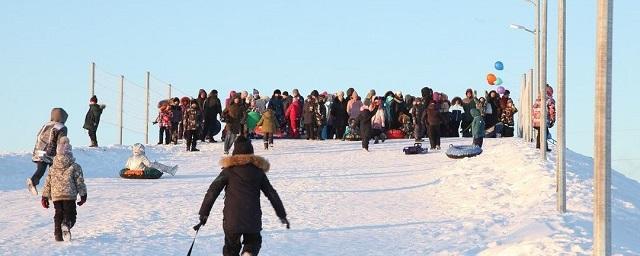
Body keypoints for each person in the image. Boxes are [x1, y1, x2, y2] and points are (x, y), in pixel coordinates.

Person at [197, 136, 289, 255]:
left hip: (232, 218)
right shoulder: (258, 172)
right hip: (252, 217)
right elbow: (272, 194)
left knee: (231, 248)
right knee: (253, 242)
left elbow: (212, 192)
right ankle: (248, 252)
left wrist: (204, 213)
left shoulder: (228, 171)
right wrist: (281, 214)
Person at [40, 136, 87, 241]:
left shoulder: (52, 167)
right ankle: (66, 224)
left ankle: (58, 234)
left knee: (58, 213)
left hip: (56, 196)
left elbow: (48, 182)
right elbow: (79, 182)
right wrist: (83, 195)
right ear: (70, 152)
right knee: (71, 215)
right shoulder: (75, 166)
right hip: (69, 195)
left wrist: (44, 196)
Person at [27, 108, 69, 195]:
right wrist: (62, 154)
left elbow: (39, 135)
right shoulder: (62, 127)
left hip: (39, 150)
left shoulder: (46, 125)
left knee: (41, 169)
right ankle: (53, 190)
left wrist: (37, 149)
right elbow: (61, 141)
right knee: (54, 171)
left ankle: (33, 181)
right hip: (51, 153)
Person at [532, 84, 556, 151]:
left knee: (540, 132)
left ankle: (539, 146)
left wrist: (533, 120)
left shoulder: (537, 100)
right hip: (544, 119)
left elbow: (533, 109)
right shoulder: (550, 100)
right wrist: (553, 120)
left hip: (536, 120)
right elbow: (552, 110)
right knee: (544, 133)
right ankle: (543, 147)